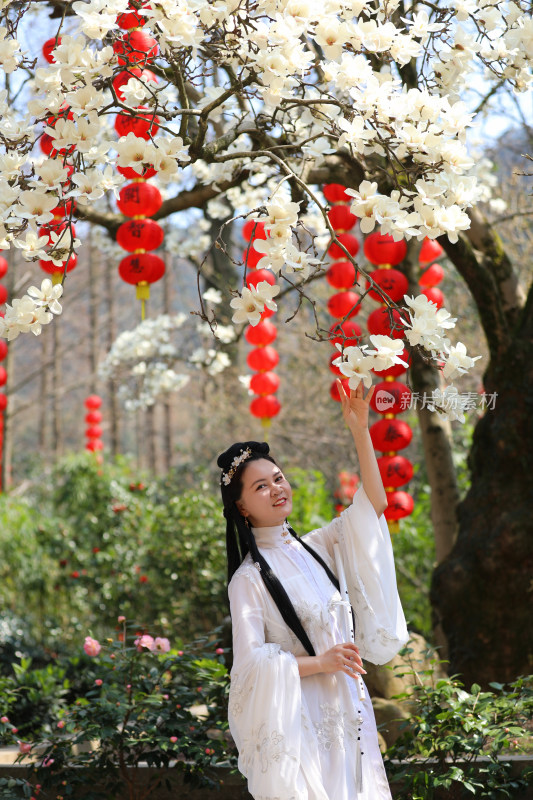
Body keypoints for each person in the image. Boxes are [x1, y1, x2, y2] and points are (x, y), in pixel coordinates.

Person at [217, 380, 408, 800]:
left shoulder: (320, 546)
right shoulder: (247, 580)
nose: (276, 488)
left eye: (278, 478)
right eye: (260, 486)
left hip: (350, 709)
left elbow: (372, 507)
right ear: (242, 508)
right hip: (303, 719)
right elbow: (249, 668)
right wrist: (321, 662)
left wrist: (361, 430)